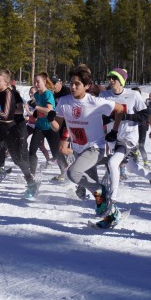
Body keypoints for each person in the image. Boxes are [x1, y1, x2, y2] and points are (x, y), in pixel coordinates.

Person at [47, 65, 125, 228]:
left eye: (77, 84)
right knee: (94, 188)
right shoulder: (64, 101)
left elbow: (120, 109)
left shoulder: (95, 102)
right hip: (78, 148)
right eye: (71, 83)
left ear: (87, 86)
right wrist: (51, 118)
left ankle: (102, 192)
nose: (73, 87)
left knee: (73, 173)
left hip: (95, 148)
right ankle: (108, 212)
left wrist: (114, 131)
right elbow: (56, 127)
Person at [99, 68, 151, 208]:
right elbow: (98, 114)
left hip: (128, 137)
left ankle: (112, 199)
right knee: (131, 167)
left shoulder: (133, 95)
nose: (111, 81)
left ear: (122, 80)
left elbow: (145, 116)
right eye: (110, 78)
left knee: (113, 163)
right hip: (112, 137)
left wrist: (126, 117)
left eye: (114, 78)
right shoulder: (104, 95)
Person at [0, 69, 37, 198]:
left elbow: (6, 115)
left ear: (6, 82)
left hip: (10, 129)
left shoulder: (10, 94)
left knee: (17, 160)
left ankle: (31, 182)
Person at [29, 73, 68, 180]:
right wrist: (36, 112)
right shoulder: (36, 95)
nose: (36, 84)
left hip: (50, 127)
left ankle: (65, 171)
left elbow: (50, 110)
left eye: (38, 82)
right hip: (40, 126)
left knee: (56, 153)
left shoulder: (48, 94)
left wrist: (36, 107)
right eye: (34, 82)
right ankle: (32, 173)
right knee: (32, 150)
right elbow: (41, 109)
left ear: (44, 82)